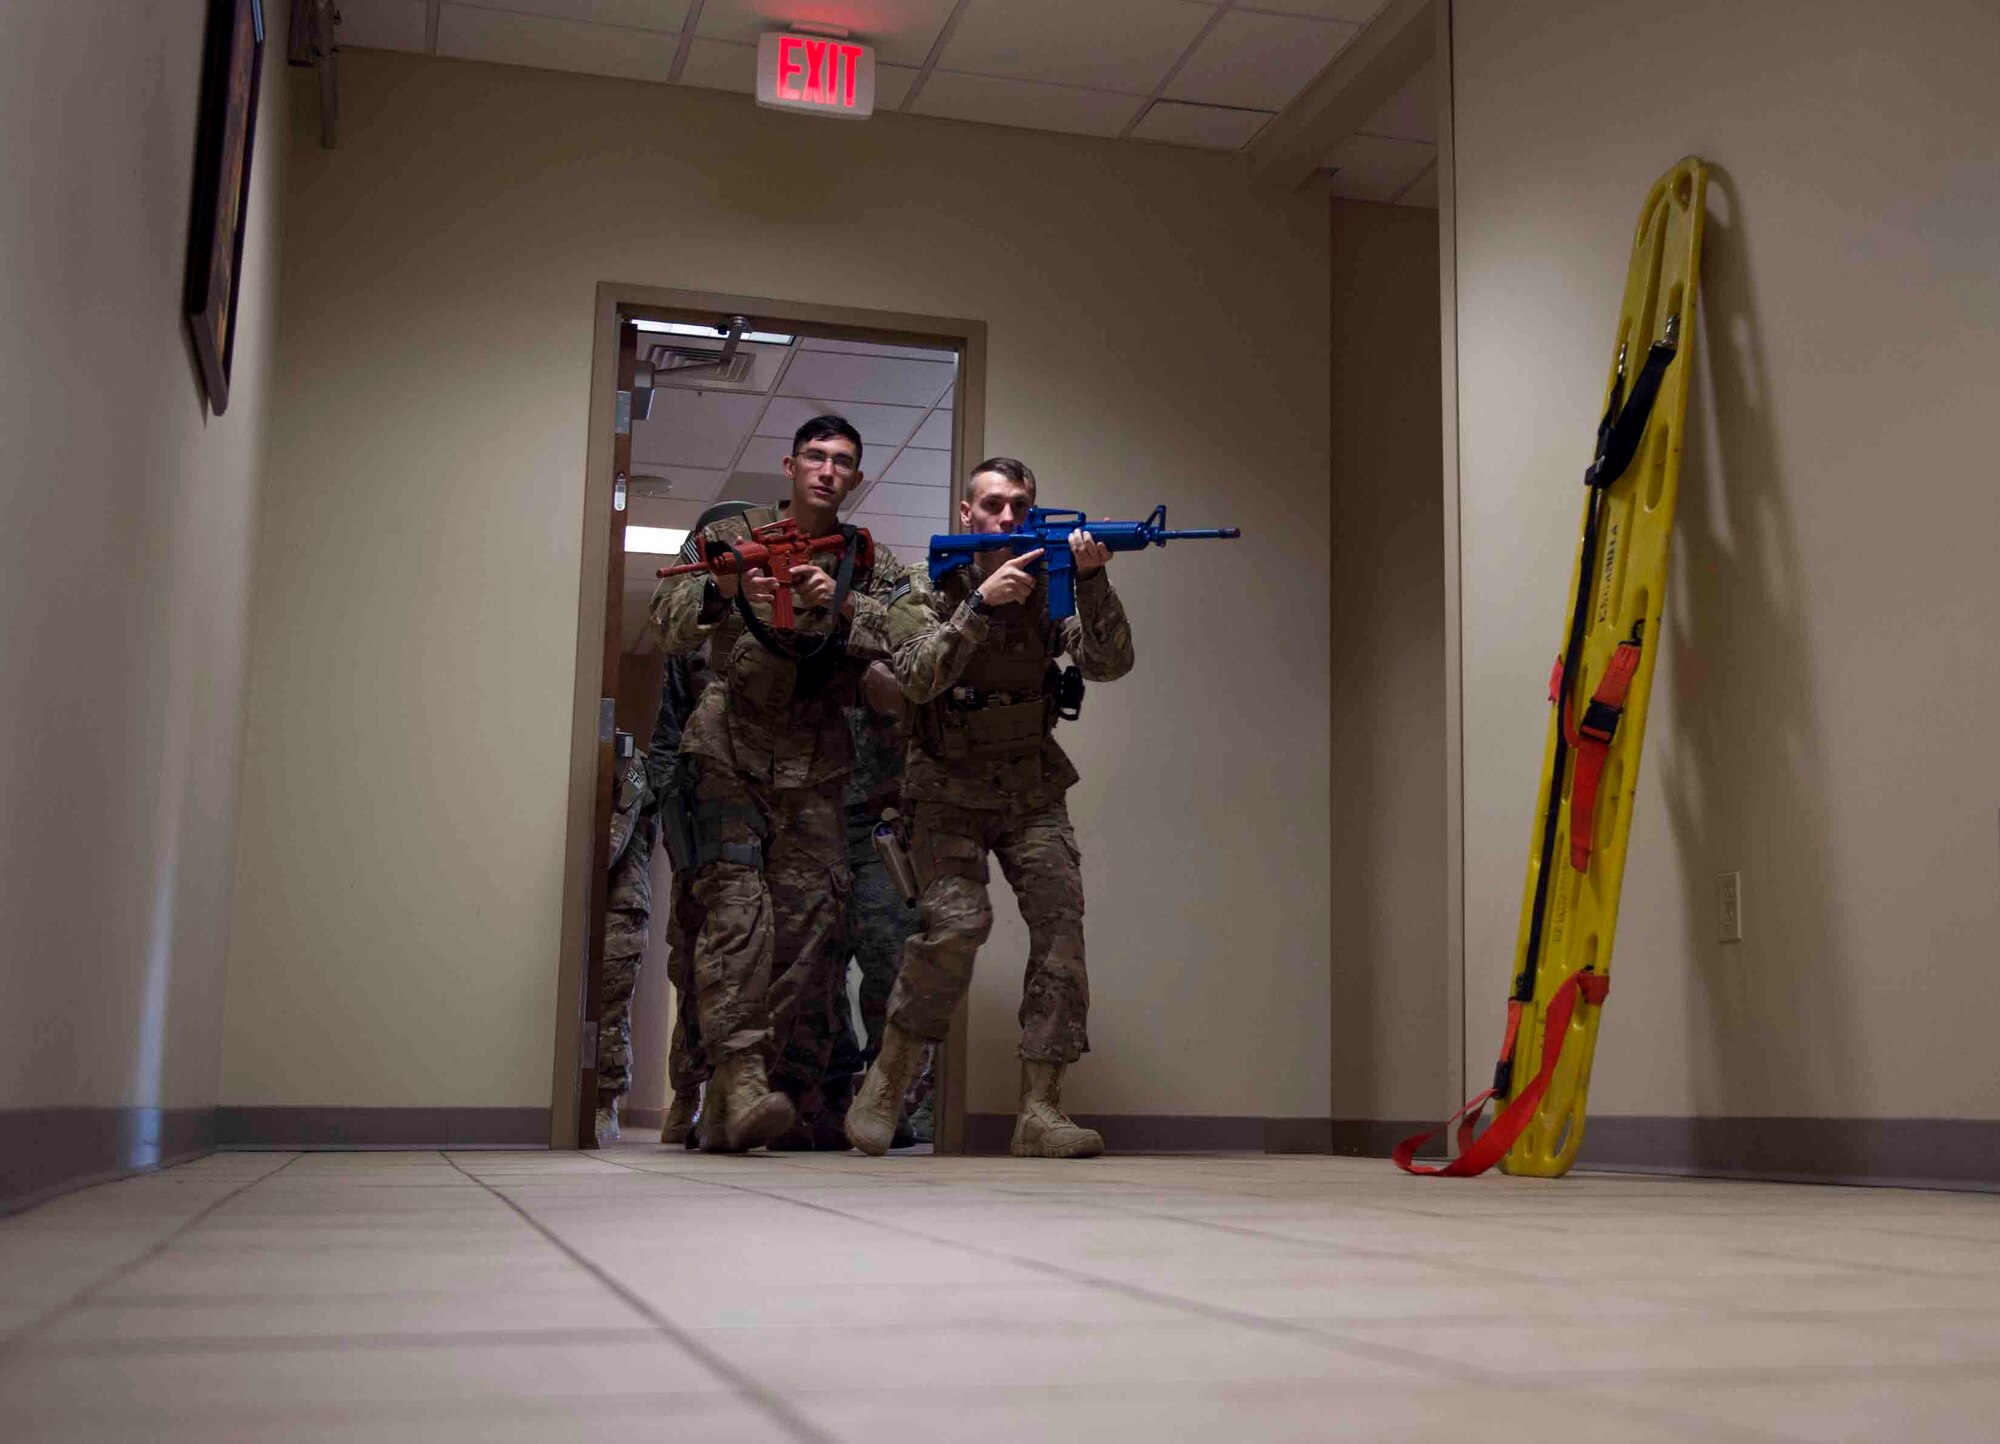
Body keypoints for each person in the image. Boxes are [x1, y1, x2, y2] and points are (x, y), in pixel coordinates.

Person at [849, 456, 1133, 1159]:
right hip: (944, 790)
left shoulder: (1051, 583)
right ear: (966, 514)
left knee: (1061, 926)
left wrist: (1092, 581)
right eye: (994, 505)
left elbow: (1108, 664)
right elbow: (914, 680)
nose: (1007, 519)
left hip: (1030, 787)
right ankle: (889, 1077)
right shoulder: (926, 586)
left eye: (1020, 506)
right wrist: (979, 609)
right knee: (956, 926)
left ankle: (1041, 1106)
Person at [648, 415, 908, 1152]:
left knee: (805, 935)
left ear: (856, 478)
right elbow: (668, 622)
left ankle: (752, 1096)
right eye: (816, 457)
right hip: (726, 749)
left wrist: (845, 601)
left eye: (844, 462)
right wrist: (724, 589)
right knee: (734, 918)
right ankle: (739, 1079)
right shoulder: (732, 533)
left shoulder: (868, 559)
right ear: (791, 465)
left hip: (818, 765)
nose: (828, 471)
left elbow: (915, 640)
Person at [769, 661, 923, 1150]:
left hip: (881, 811)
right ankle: (812, 1094)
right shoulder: (785, 607)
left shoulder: (898, 601)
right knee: (810, 964)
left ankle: (884, 1095)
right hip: (805, 807)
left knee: (891, 953)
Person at [648, 641, 716, 1147]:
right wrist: (677, 815)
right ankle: (688, 1095)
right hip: (698, 822)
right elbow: (666, 744)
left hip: (773, 815)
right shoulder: (693, 639)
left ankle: (731, 1096)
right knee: (693, 965)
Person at [595, 732, 652, 1143]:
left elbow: (614, 841)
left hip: (621, 902)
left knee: (611, 1011)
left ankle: (605, 1104)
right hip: (596, 901)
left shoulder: (628, 761)